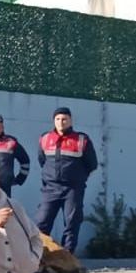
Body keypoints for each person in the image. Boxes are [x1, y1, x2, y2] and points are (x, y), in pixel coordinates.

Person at [34, 107, 98, 255]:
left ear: (70, 120)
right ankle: (39, 254)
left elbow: (92, 164)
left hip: (73, 189)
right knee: (42, 221)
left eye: (64, 119)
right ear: (53, 121)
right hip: (50, 188)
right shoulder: (45, 138)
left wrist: (78, 179)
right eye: (57, 119)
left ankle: (67, 256)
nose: (61, 122)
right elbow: (42, 160)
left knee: (72, 223)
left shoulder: (82, 139)